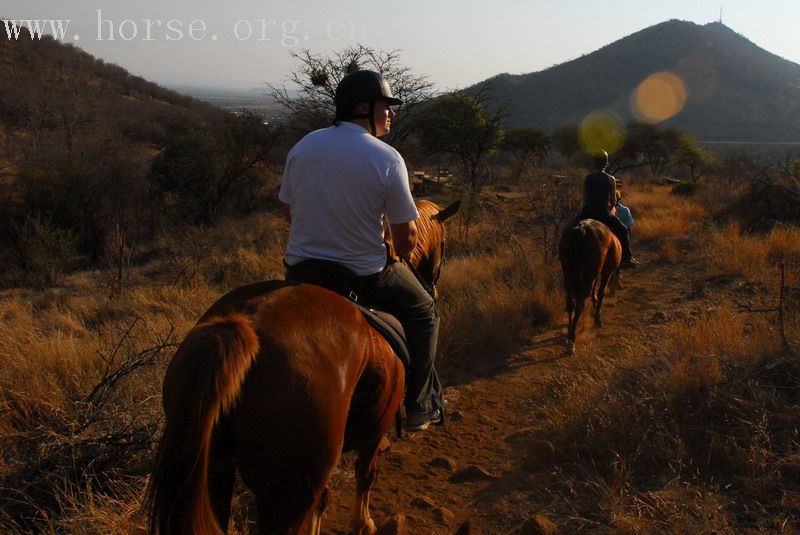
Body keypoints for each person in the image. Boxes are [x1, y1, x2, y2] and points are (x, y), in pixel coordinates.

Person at [278, 70, 444, 432]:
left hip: (301, 271)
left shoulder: (303, 146)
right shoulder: (387, 158)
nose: (391, 114)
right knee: (424, 310)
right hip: (364, 274)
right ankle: (419, 405)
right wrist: (390, 246)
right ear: (363, 107)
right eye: (386, 106)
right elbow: (406, 239)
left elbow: (290, 211)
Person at [578, 150, 638, 269]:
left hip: (587, 212)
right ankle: (627, 258)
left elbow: (584, 197)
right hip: (603, 213)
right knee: (624, 230)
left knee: (569, 227)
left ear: (593, 162)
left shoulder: (587, 178)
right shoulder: (611, 179)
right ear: (606, 163)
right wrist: (610, 209)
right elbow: (613, 201)